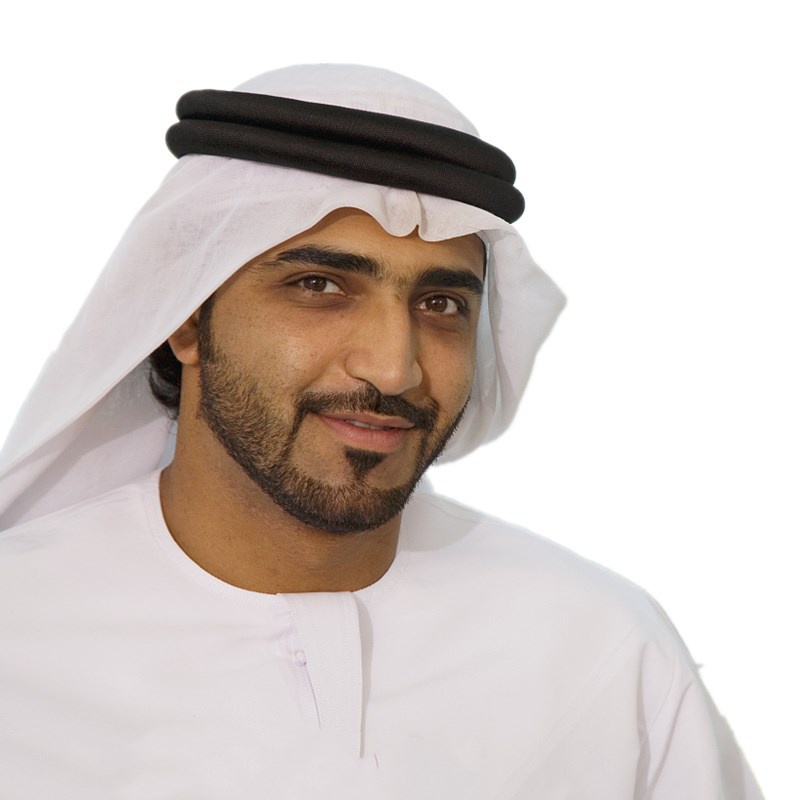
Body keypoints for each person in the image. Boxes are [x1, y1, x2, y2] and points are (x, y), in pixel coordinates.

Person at [0, 64, 761, 798]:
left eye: (441, 305)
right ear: (187, 319)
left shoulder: (602, 651)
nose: (394, 368)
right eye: (319, 286)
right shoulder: (21, 635)